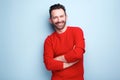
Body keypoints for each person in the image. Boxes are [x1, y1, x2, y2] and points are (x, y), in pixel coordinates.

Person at [43, 3, 85, 80]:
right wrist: (71, 61)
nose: (59, 20)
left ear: (66, 17)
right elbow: (48, 64)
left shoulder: (77, 31)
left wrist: (56, 59)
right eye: (55, 17)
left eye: (61, 16)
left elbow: (78, 54)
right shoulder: (49, 40)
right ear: (50, 20)